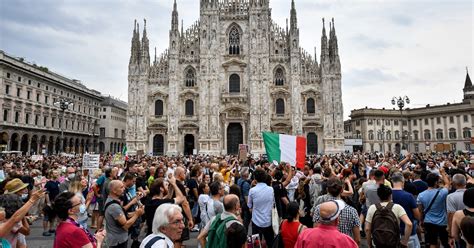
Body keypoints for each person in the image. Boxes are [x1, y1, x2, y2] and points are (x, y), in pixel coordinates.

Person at [312, 177, 361, 244]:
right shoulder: (352, 211)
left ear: (327, 190)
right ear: (342, 190)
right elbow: (357, 239)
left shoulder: (319, 209)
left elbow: (315, 231)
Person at [104, 180, 145, 248]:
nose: (124, 189)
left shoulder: (114, 201)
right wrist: (137, 214)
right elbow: (125, 225)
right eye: (121, 187)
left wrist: (137, 212)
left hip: (117, 239)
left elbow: (125, 215)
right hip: (117, 242)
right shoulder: (114, 207)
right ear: (114, 190)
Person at [417, 171, 450, 248]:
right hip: (442, 222)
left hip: (428, 221)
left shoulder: (421, 195)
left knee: (432, 243)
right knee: (445, 243)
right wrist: (442, 173)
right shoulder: (442, 192)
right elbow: (447, 183)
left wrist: (421, 222)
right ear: (436, 182)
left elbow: (420, 211)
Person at [390, 173, 421, 248]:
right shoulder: (408, 196)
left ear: (392, 182)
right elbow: (417, 216)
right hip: (408, 232)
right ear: (403, 182)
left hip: (391, 231)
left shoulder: (387, 195)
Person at [248, 169, 275, 247]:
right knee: (270, 243)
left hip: (256, 220)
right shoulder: (271, 189)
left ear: (255, 178)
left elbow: (249, 205)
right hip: (268, 220)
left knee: (255, 244)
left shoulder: (252, 190)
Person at [447, 173, 467, 246]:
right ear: (465, 182)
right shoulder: (470, 193)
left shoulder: (450, 197)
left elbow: (451, 215)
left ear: (454, 183)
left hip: (458, 229)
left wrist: (450, 234)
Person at [43, 169, 60, 236]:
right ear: (51, 174)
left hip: (55, 202)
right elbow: (46, 193)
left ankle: (51, 228)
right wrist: (48, 202)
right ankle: (45, 231)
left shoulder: (58, 183)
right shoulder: (48, 183)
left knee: (53, 216)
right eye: (55, 173)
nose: (57, 174)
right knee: (46, 217)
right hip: (49, 202)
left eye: (57, 173)